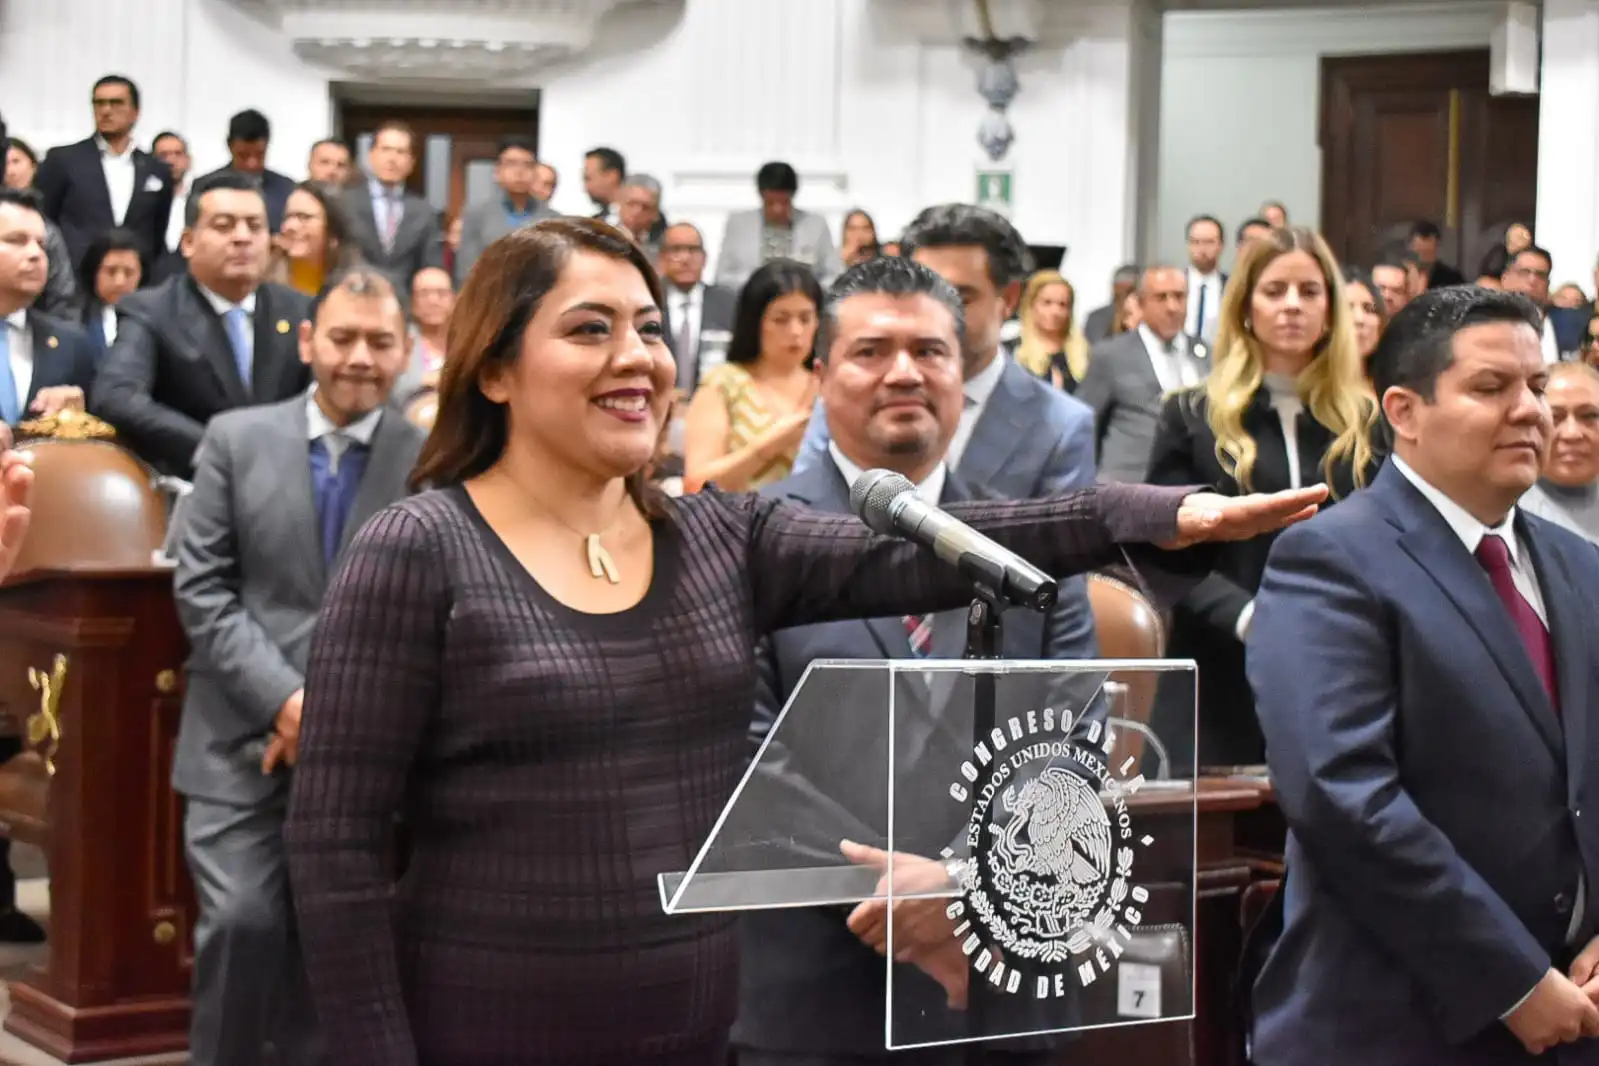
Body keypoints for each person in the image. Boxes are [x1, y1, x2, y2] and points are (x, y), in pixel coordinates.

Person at [280, 217, 1326, 1066]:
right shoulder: (418, 552)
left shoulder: (714, 536)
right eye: (589, 329)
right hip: (490, 1027)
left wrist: (1156, 513)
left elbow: (957, 543)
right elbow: (334, 853)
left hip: (692, 1034)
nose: (636, 356)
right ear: (494, 369)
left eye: (648, 328)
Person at [733, 255, 1093, 1066]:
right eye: (870, 351)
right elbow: (749, 756)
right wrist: (901, 899)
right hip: (823, 990)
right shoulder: (747, 540)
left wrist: (965, 884)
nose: (904, 372)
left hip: (1002, 979)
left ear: (963, 375)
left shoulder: (1031, 542)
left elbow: (1072, 743)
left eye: (930, 351)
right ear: (819, 374)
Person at [1247, 286, 1599, 1063]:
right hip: (1395, 1024)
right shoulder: (1331, 560)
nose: (1529, 411)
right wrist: (1510, 980)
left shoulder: (1580, 566)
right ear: (1403, 411)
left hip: (1574, 1018)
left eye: (1536, 385)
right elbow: (1342, 795)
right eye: (1490, 387)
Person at [172, 266, 425, 1066]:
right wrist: (287, 702)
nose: (360, 358)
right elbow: (203, 589)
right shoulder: (233, 439)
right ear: (309, 341)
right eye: (343, 338)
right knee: (241, 923)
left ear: (407, 350)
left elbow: (435, 610)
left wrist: (335, 719)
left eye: (380, 342)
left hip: (365, 759)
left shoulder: (433, 462)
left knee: (335, 949)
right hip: (237, 744)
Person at [1146, 226, 1377, 768]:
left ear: (1330, 309)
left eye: (1309, 291)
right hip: (1218, 672)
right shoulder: (1190, 416)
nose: (1292, 305)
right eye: (1274, 291)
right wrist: (1250, 618)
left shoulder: (1368, 424)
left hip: (1340, 670)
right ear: (1246, 307)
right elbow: (1164, 549)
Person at [795, 204, 1096, 495]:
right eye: (923, 296)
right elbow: (804, 508)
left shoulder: (1060, 426)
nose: (937, 317)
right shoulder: (849, 392)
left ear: (1008, 299)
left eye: (959, 298)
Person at [91, 170, 312, 478]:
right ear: (188, 242)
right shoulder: (152, 310)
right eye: (224, 226)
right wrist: (217, 447)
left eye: (254, 226)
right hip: (191, 481)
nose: (242, 237)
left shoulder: (299, 309)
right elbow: (117, 397)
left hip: (286, 479)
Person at [682, 259, 821, 492]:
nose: (796, 331)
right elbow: (695, 485)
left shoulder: (830, 386)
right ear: (755, 322)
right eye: (781, 319)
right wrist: (771, 445)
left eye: (805, 319)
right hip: (740, 513)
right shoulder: (723, 383)